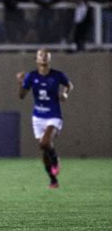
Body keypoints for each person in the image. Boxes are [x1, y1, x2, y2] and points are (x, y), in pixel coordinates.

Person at [16, 48, 74, 189]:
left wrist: (65, 94)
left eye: (45, 55)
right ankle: (53, 180)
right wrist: (21, 83)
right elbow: (22, 96)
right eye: (40, 55)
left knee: (45, 143)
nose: (43, 57)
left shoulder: (57, 75)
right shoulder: (31, 76)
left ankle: (55, 160)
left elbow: (69, 85)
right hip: (38, 117)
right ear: (36, 59)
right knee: (44, 150)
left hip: (54, 116)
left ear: (49, 59)